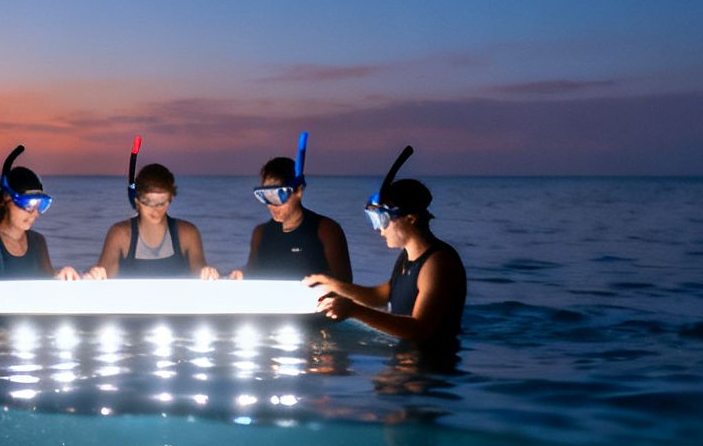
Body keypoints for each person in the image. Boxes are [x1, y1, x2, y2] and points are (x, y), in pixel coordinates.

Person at [307, 145, 465, 348]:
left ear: (411, 218)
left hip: (430, 370)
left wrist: (354, 311)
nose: (379, 230)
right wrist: (330, 284)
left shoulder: (438, 263)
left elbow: (420, 329)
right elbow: (381, 297)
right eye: (374, 220)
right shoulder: (407, 257)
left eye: (382, 220)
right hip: (405, 361)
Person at [236, 133, 351, 282]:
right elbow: (251, 274)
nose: (271, 205)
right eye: (265, 196)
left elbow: (345, 286)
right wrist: (240, 274)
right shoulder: (260, 233)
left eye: (278, 195)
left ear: (299, 191)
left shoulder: (327, 231)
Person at [0, 145, 76, 280]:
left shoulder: (38, 242)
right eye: (29, 204)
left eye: (40, 205)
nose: (35, 213)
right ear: (6, 198)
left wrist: (63, 275)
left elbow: (49, 283)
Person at [88, 154, 212, 279]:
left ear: (170, 199)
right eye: (148, 203)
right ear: (137, 201)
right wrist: (88, 275)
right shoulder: (120, 234)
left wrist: (209, 273)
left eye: (161, 203)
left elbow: (201, 274)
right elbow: (101, 279)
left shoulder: (187, 233)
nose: (155, 210)